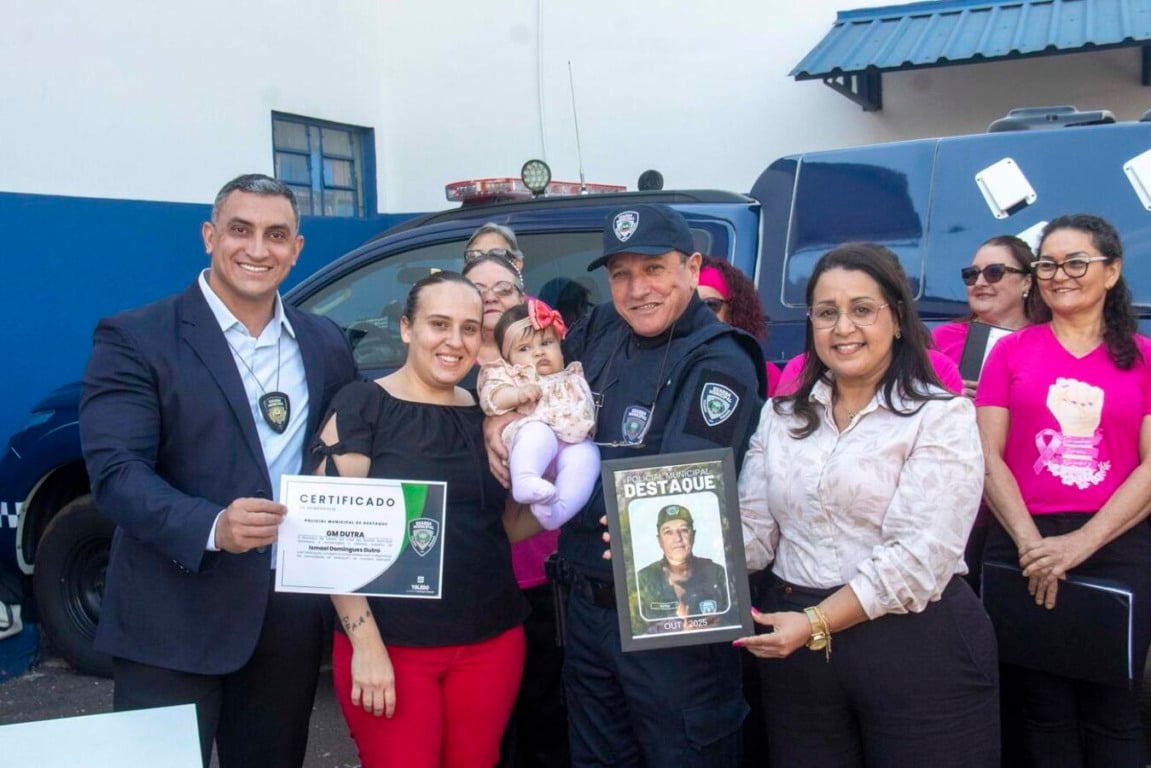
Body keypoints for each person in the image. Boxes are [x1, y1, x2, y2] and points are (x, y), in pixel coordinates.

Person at [78, 174, 357, 767]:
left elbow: (349, 456)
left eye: (276, 234)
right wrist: (212, 527)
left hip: (286, 622)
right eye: (241, 230)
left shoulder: (325, 342)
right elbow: (116, 473)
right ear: (209, 236)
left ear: (297, 249)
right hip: (171, 620)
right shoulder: (136, 338)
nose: (258, 249)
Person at [489, 203, 767, 765]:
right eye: (621, 274)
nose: (637, 289)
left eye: (653, 269)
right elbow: (534, 371)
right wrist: (505, 423)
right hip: (588, 614)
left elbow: (671, 496)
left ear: (691, 267)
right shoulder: (605, 330)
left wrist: (553, 478)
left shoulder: (721, 360)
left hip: (669, 619)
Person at [736, 242, 999, 767]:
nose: (843, 328)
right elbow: (754, 531)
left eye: (862, 309)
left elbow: (919, 556)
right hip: (797, 651)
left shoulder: (941, 417)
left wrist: (815, 623)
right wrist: (658, 553)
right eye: (827, 313)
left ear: (898, 319)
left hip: (915, 644)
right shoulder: (781, 415)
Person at [311, 271, 530, 767]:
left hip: (490, 644)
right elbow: (326, 536)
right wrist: (364, 644)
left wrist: (567, 493)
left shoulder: (485, 413)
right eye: (439, 324)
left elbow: (506, 527)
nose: (455, 342)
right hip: (391, 647)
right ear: (407, 328)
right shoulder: (363, 405)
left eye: (470, 328)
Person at [977, 214, 1151, 767]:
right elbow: (986, 456)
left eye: (1076, 262)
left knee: (1114, 711)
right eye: (1047, 264)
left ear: (1112, 271)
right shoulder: (1008, 352)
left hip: (1115, 545)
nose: (1060, 275)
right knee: (1039, 709)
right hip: (1019, 542)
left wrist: (1080, 544)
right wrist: (1033, 546)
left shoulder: (1145, 357)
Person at [462, 229, 570, 768]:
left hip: (544, 567)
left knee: (548, 714)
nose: (490, 298)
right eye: (476, 287)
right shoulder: (450, 370)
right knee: (489, 727)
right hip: (480, 574)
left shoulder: (548, 358)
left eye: (502, 288)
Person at [479, 298, 599, 529]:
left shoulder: (572, 375)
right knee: (538, 432)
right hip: (532, 441)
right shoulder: (512, 376)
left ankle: (556, 512)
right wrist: (517, 394)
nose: (538, 353)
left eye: (546, 343)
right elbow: (491, 398)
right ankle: (526, 480)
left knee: (587, 456)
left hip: (571, 441)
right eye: (524, 348)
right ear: (508, 358)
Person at [932, 234, 1048, 398]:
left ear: (1026, 282)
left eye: (994, 272)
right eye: (972, 274)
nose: (979, 283)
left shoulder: (1048, 342)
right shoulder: (941, 339)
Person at [697, 257, 781, 396]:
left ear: (733, 311)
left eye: (710, 305)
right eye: (690, 306)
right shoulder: (665, 366)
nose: (699, 314)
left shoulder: (766, 376)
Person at [635, 504, 729, 621]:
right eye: (668, 532)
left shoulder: (717, 573)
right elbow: (637, 627)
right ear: (659, 540)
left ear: (693, 535)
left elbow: (734, 617)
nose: (677, 538)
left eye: (684, 530)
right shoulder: (643, 579)